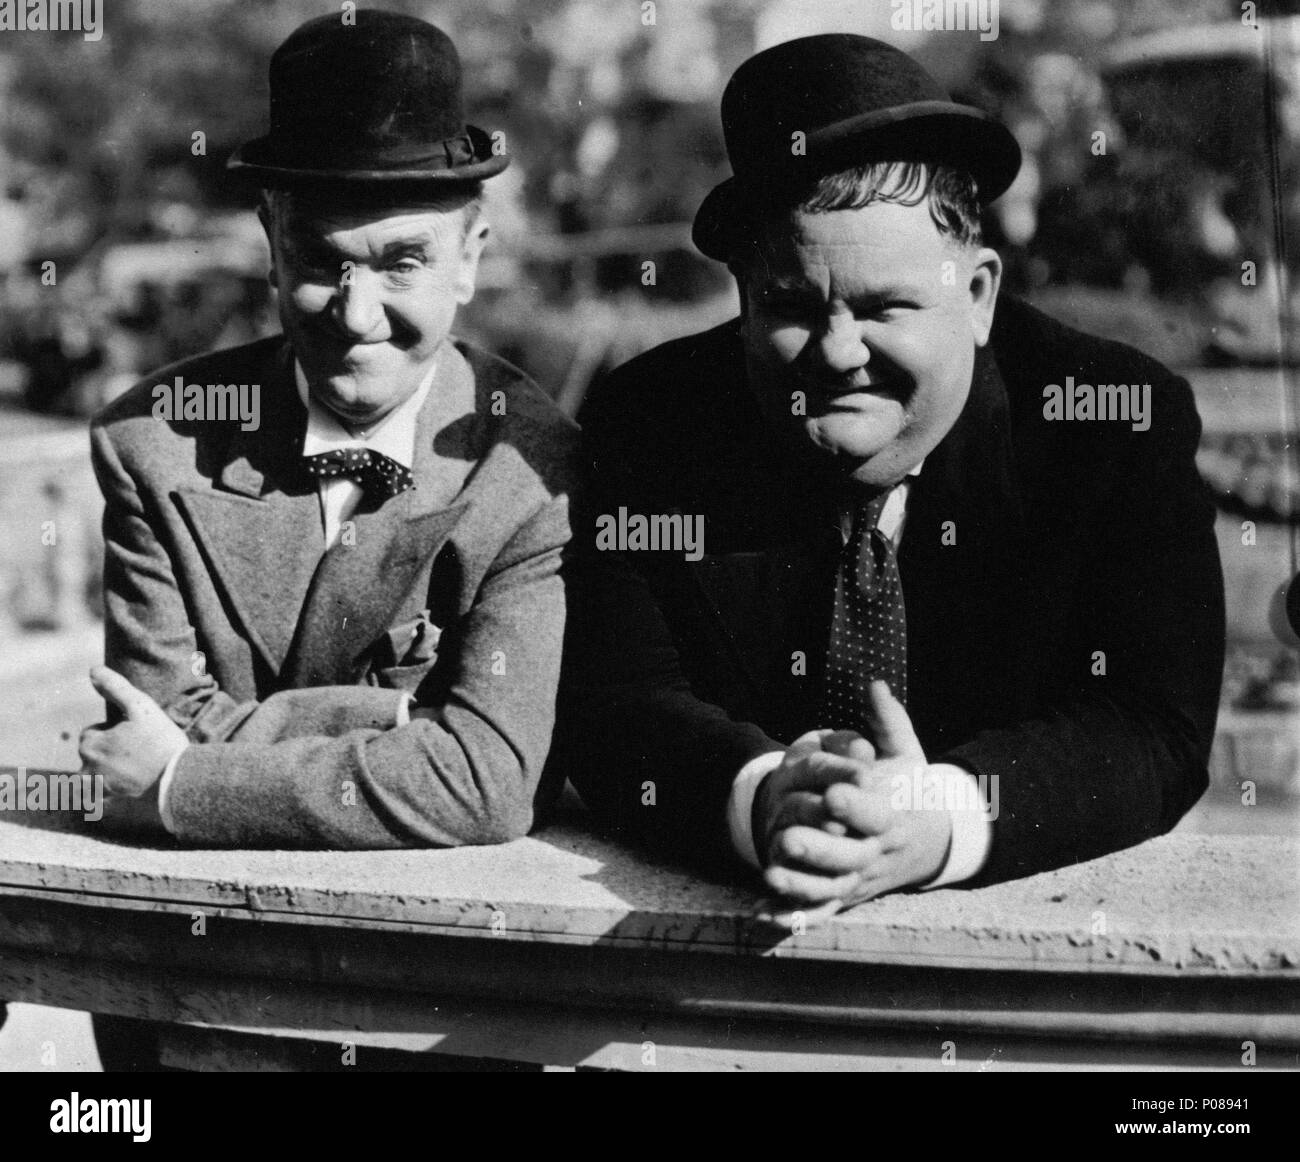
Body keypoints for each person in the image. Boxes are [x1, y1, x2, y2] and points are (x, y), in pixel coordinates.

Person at [554, 35, 1225, 914]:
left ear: (978, 296)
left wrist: (942, 816)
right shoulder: (651, 425)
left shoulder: (1111, 425)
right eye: (792, 307)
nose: (839, 354)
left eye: (884, 308)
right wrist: (763, 795)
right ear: (744, 298)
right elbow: (613, 701)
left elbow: (1152, 721)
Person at [79, 10, 578, 851]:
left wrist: (183, 781)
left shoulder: (531, 471)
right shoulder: (152, 445)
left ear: (471, 258)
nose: (357, 314)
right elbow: (148, 717)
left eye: (403, 263)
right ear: (272, 245)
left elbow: (484, 785)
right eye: (320, 260)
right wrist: (404, 722)